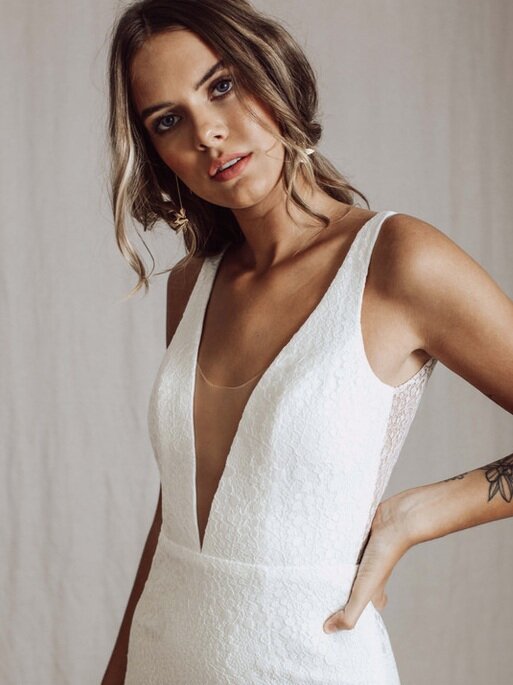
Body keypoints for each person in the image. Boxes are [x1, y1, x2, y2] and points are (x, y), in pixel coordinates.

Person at [102, 1, 513, 683]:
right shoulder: (193, 284)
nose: (207, 134)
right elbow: (175, 514)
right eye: (168, 120)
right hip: (161, 658)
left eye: (221, 85)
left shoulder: (395, 261)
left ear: (270, 70)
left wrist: (419, 514)